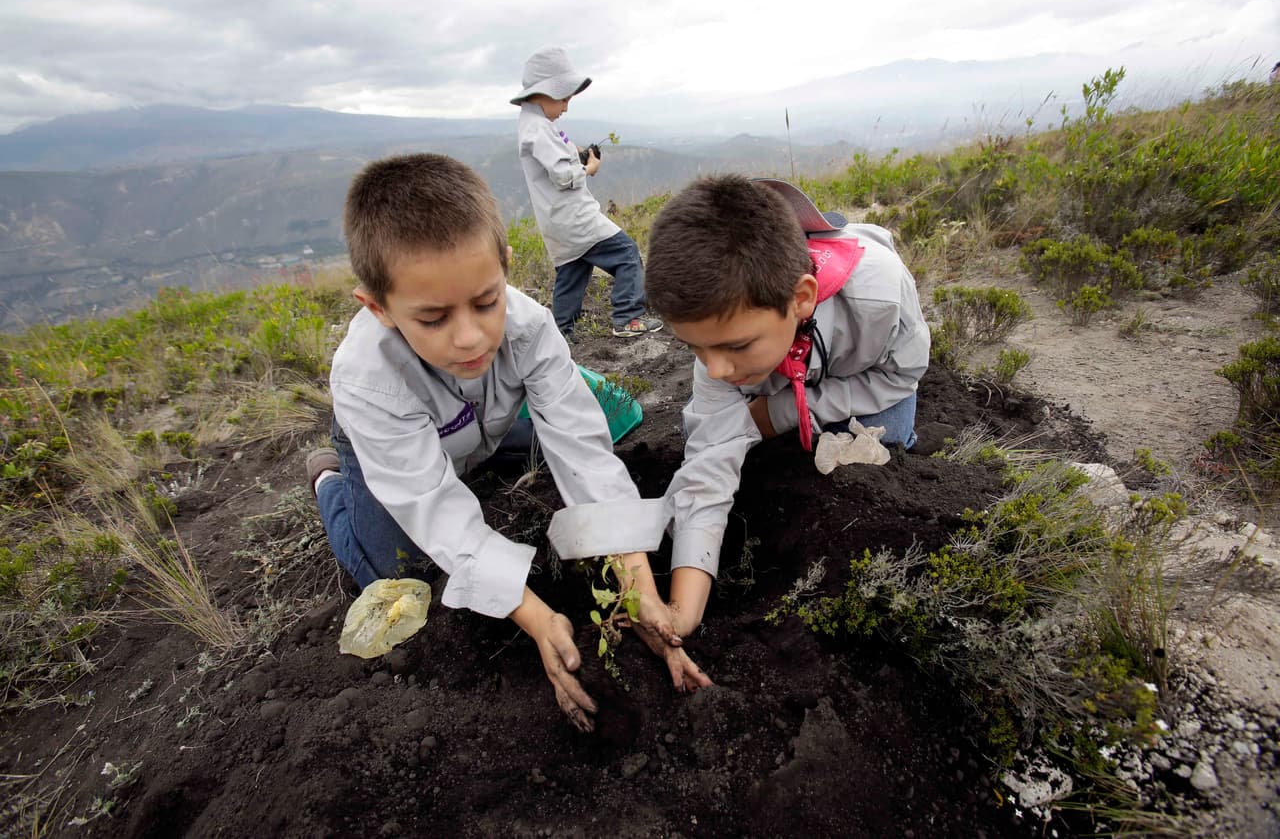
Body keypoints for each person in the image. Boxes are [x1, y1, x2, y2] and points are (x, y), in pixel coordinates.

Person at [305, 153, 709, 731]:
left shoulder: (529, 327)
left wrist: (637, 585)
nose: (469, 336)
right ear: (378, 307)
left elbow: (584, 454)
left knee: (578, 435)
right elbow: (438, 511)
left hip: (481, 427)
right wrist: (540, 619)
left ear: (505, 266)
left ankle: (484, 455)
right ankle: (328, 484)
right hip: (390, 449)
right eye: (433, 318)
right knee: (398, 576)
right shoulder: (367, 378)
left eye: (486, 301)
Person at [642, 175, 931, 635]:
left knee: (888, 438)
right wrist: (683, 610)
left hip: (868, 373)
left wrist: (777, 415)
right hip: (788, 364)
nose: (715, 369)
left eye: (736, 346)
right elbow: (708, 464)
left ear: (800, 299)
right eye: (696, 349)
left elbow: (903, 373)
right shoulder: (723, 353)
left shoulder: (881, 298)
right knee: (725, 439)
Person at [512, 46, 663, 341]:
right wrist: (589, 169)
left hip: (556, 221)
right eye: (564, 99)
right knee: (627, 254)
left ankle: (559, 334)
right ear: (546, 94)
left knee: (573, 271)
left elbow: (555, 158)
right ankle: (628, 317)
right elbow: (562, 175)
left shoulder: (535, 125)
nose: (566, 107)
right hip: (574, 217)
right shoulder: (539, 128)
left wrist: (577, 154)